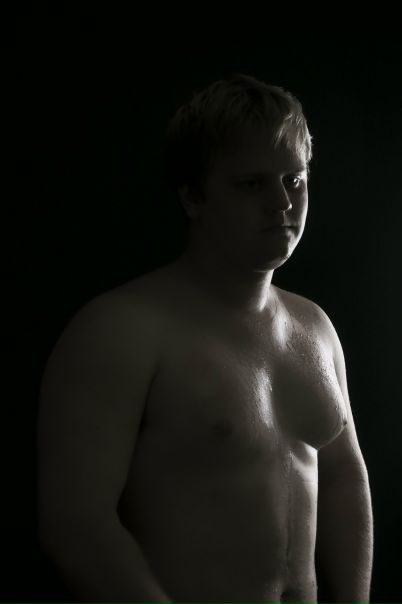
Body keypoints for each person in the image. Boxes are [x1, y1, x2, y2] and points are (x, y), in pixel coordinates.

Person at [37, 74, 373, 604]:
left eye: (294, 179)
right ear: (193, 197)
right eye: (252, 184)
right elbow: (76, 524)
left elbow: (343, 480)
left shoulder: (315, 327)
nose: (282, 202)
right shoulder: (120, 329)